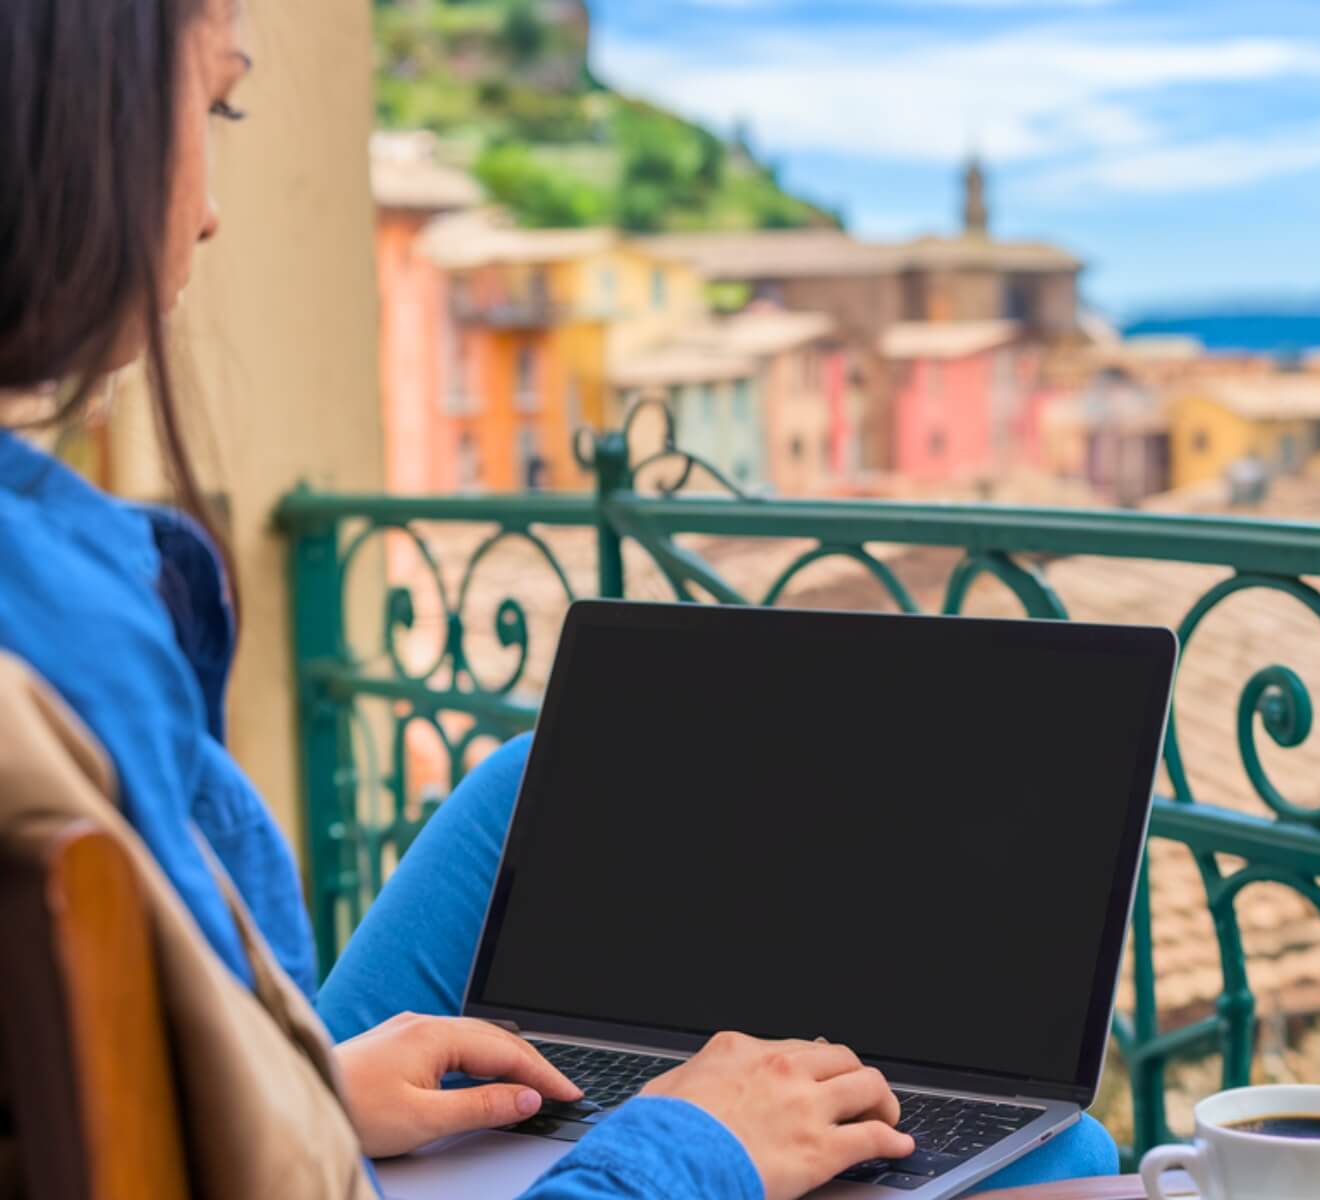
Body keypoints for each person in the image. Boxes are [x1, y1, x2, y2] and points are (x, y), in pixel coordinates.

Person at [0, 1, 1121, 1196]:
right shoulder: (65, 634)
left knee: (527, 784)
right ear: (61, 124)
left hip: (267, 1130)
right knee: (1067, 1152)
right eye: (217, 105)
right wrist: (698, 1147)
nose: (213, 208)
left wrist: (319, 1085)